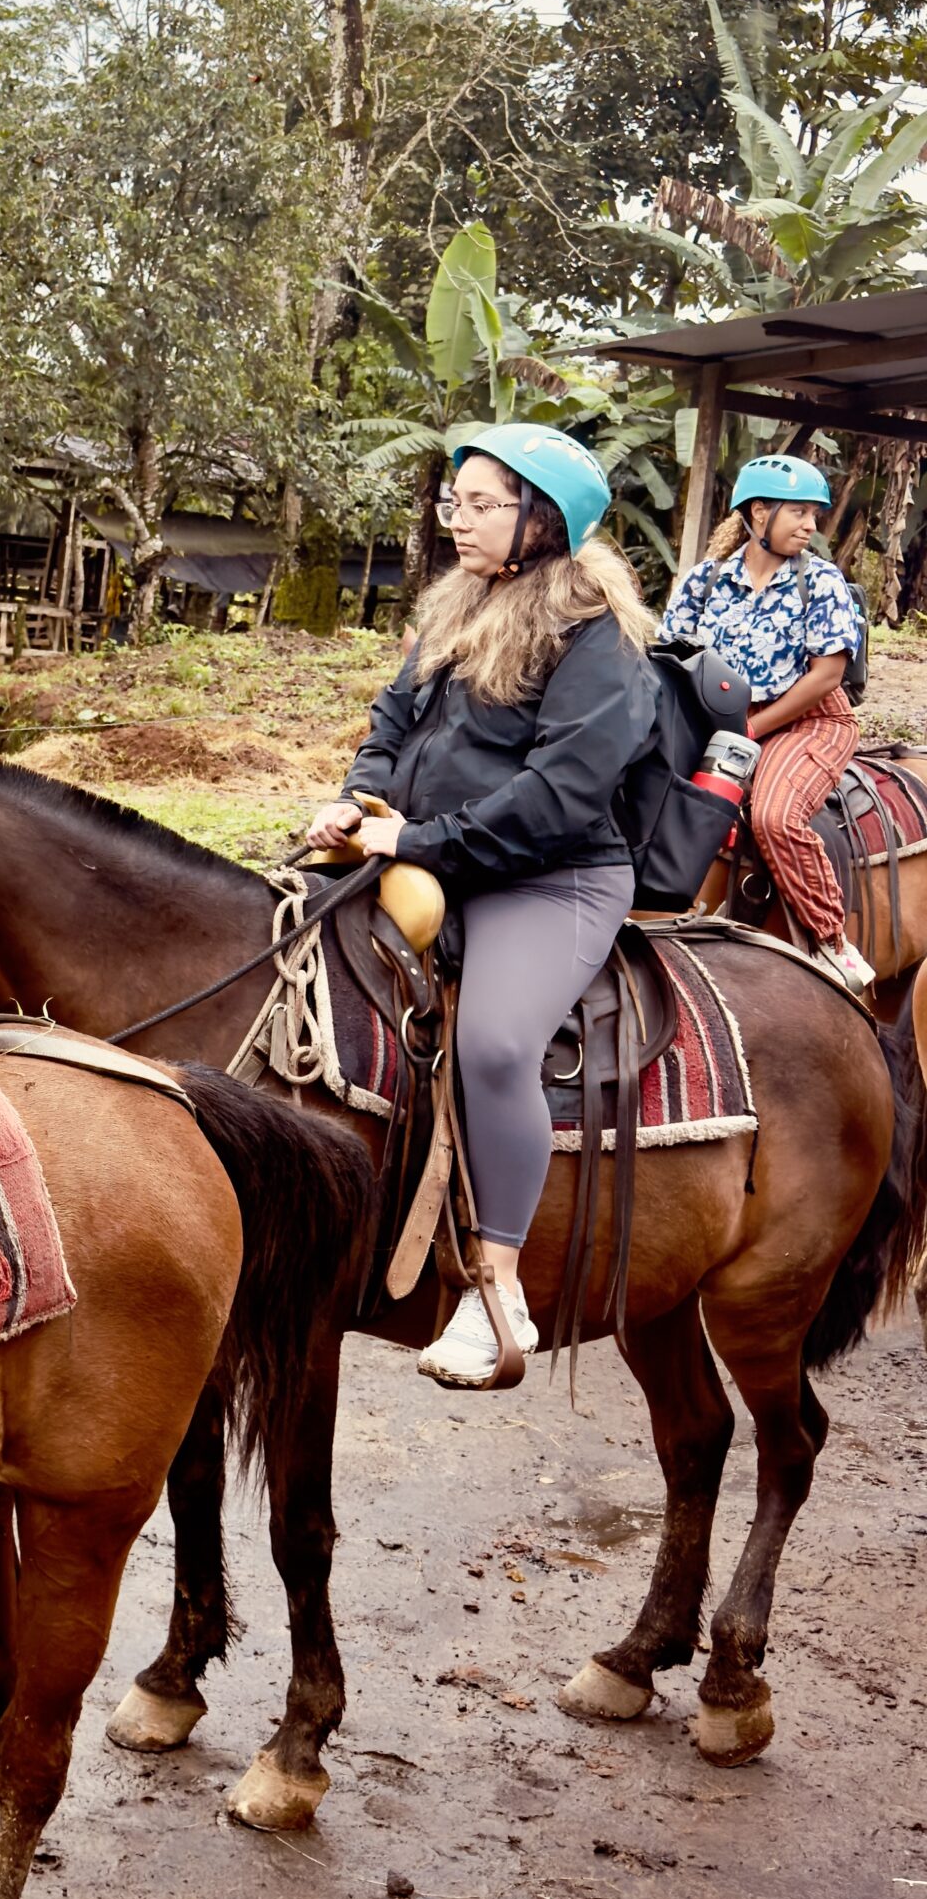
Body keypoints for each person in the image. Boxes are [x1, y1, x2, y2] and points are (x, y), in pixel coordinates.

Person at [306, 425, 659, 1391]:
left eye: (480, 503)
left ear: (541, 519)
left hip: (548, 874)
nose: (456, 520)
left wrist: (413, 841)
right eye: (452, 502)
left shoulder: (597, 637)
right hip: (425, 849)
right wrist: (359, 798)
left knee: (497, 1044)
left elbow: (559, 797)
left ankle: (495, 1287)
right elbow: (391, 720)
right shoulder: (457, 602)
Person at [659, 456, 871, 989]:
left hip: (808, 722)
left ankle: (831, 942)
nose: (810, 526)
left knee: (775, 818)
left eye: (812, 514)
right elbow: (668, 655)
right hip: (721, 722)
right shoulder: (704, 582)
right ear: (759, 512)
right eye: (798, 512)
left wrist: (752, 730)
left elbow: (828, 675)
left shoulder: (820, 581)